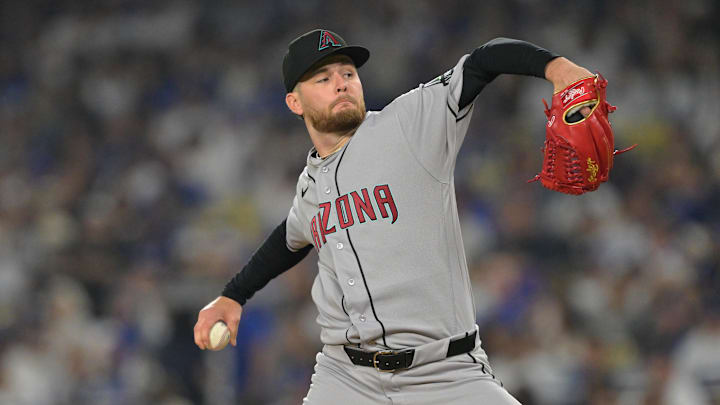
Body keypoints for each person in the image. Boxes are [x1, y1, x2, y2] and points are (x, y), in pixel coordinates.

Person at [194, 28, 594, 404]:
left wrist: (557, 69)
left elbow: (483, 62)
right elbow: (289, 238)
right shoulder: (311, 182)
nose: (341, 82)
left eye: (348, 72)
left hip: (446, 372)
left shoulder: (408, 124)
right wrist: (233, 295)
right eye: (322, 78)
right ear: (294, 102)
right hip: (346, 376)